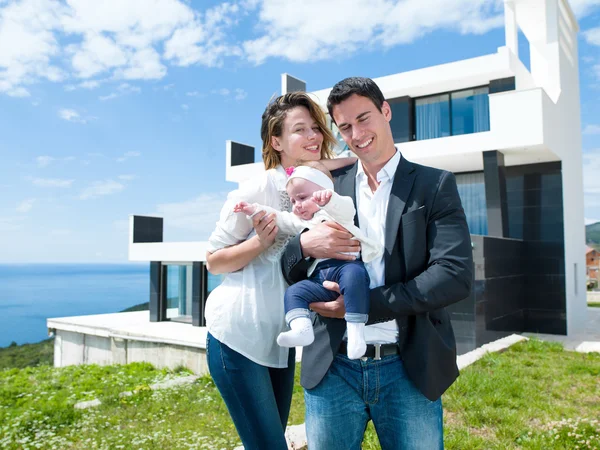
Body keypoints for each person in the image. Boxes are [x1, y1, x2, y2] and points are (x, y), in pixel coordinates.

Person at [281, 77, 473, 449]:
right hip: (332, 368)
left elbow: (453, 276)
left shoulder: (434, 185)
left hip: (408, 367)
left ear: (386, 112)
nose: (357, 133)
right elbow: (287, 264)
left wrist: (361, 307)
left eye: (364, 118)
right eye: (346, 126)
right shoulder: (326, 184)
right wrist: (305, 244)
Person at [204, 91, 352, 450]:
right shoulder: (260, 186)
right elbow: (213, 260)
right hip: (238, 335)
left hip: (280, 341)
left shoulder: (320, 189)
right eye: (300, 129)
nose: (313, 136)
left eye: (316, 127)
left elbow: (353, 162)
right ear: (276, 141)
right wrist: (259, 242)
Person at [233, 160, 383, 359]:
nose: (297, 206)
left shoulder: (337, 211)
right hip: (320, 279)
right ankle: (301, 329)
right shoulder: (301, 221)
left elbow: (346, 208)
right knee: (294, 292)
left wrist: (329, 200)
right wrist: (253, 209)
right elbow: (280, 218)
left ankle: (356, 332)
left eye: (302, 197)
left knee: (355, 276)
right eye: (293, 201)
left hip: (346, 267)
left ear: (324, 190)